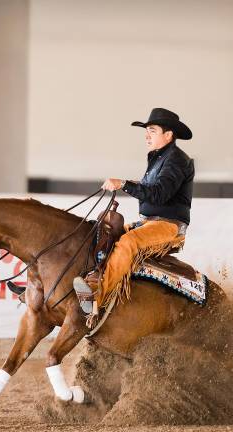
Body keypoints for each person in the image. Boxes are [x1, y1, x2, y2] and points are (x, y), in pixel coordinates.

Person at [74, 108, 195, 321]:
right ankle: (88, 280)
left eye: (152, 130)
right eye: (146, 131)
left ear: (168, 135)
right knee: (104, 232)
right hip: (149, 223)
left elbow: (159, 194)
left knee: (128, 242)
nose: (147, 135)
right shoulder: (160, 158)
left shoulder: (177, 159)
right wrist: (131, 184)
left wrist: (123, 184)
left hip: (168, 226)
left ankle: (97, 296)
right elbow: (153, 188)